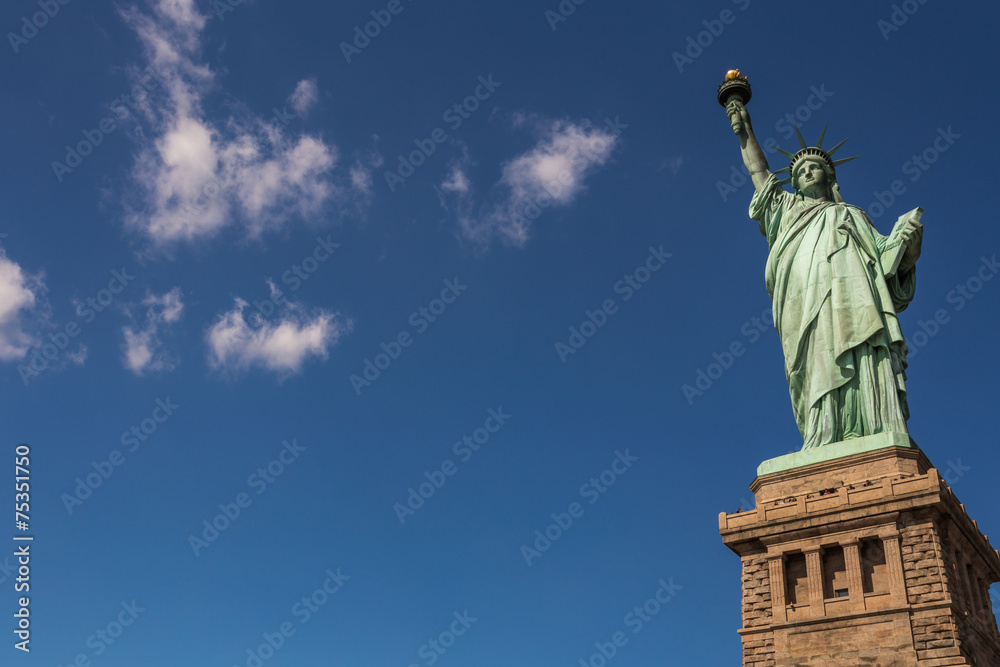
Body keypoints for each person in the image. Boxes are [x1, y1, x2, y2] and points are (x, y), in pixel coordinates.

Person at [726, 99, 923, 449]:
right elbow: (759, 174)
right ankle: (823, 433)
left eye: (814, 167)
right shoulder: (785, 210)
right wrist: (746, 134)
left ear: (829, 176)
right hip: (801, 300)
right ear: (795, 185)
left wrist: (907, 250)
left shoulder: (852, 214)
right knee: (814, 361)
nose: (806, 173)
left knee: (863, 344)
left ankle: (873, 425)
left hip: (854, 298)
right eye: (800, 172)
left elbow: (887, 267)